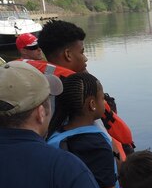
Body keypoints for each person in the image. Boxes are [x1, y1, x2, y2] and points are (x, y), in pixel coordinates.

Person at [29, 20, 136, 158]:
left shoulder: (35, 83)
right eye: (82, 52)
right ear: (68, 54)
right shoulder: (80, 93)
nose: (85, 59)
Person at [46, 71, 119, 188]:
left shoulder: (54, 134)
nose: (104, 102)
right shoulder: (97, 147)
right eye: (102, 98)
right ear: (92, 104)